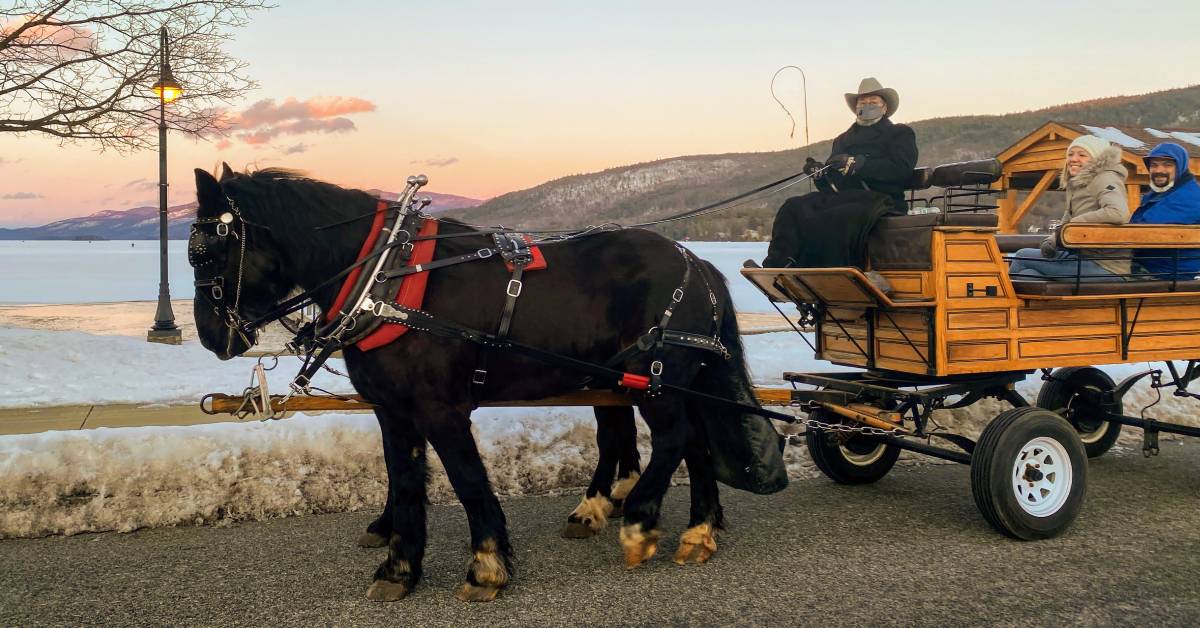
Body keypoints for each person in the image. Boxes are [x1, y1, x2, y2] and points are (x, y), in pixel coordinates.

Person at [762, 77, 918, 271]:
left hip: (882, 200)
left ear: (885, 108)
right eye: (863, 102)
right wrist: (820, 175)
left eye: (873, 102)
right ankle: (781, 264)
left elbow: (901, 168)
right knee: (793, 206)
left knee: (841, 215)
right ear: (856, 107)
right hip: (844, 197)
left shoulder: (900, 134)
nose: (867, 106)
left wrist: (860, 164)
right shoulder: (842, 140)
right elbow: (833, 184)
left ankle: (837, 273)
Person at [1008, 135, 1131, 281]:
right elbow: (1067, 219)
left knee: (1022, 255)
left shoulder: (1105, 178)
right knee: (1028, 275)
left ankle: (1002, 302)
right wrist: (1052, 240)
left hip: (1107, 267)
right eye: (1070, 154)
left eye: (1082, 155)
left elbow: (1118, 213)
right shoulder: (1078, 185)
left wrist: (1076, 224)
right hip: (1081, 258)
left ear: (1097, 159)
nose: (1073, 159)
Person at [1129, 142, 1200, 280]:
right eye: (1154, 165)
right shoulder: (1156, 194)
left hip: (1172, 275)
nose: (1159, 170)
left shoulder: (1189, 197)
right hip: (1153, 268)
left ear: (1181, 167)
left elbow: (1143, 229)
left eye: (1167, 165)